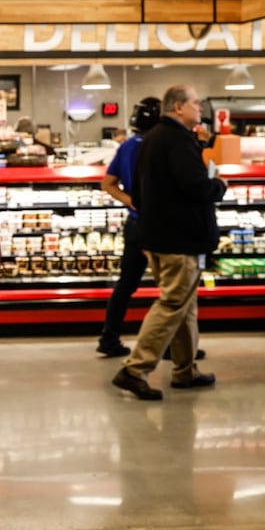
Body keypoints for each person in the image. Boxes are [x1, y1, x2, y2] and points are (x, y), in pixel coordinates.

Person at [111, 84, 224, 400]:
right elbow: (196, 187)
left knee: (186, 305)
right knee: (174, 302)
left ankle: (185, 370)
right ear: (178, 107)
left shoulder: (151, 139)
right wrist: (219, 185)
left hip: (158, 236)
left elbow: (141, 192)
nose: (199, 109)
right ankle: (134, 370)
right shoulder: (176, 140)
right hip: (179, 238)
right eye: (195, 103)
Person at [96, 97, 159, 358]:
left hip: (134, 223)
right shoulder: (160, 144)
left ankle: (109, 338)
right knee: (171, 290)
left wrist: (132, 202)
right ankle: (171, 345)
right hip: (157, 226)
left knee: (125, 285)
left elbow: (108, 183)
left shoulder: (128, 146)